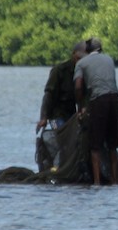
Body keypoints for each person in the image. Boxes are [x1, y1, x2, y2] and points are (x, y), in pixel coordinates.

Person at [74, 37, 118, 184]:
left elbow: (78, 86)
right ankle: (114, 180)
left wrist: (81, 106)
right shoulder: (109, 59)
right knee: (112, 144)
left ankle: (97, 181)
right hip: (115, 100)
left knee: (95, 145)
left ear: (87, 51)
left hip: (98, 101)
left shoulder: (81, 63)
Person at [35, 40, 86, 171]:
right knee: (62, 142)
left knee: (73, 143)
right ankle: (57, 168)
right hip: (56, 114)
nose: (81, 61)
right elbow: (48, 95)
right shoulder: (59, 71)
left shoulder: (82, 73)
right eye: (79, 58)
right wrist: (43, 118)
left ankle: (67, 167)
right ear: (74, 55)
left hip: (71, 115)